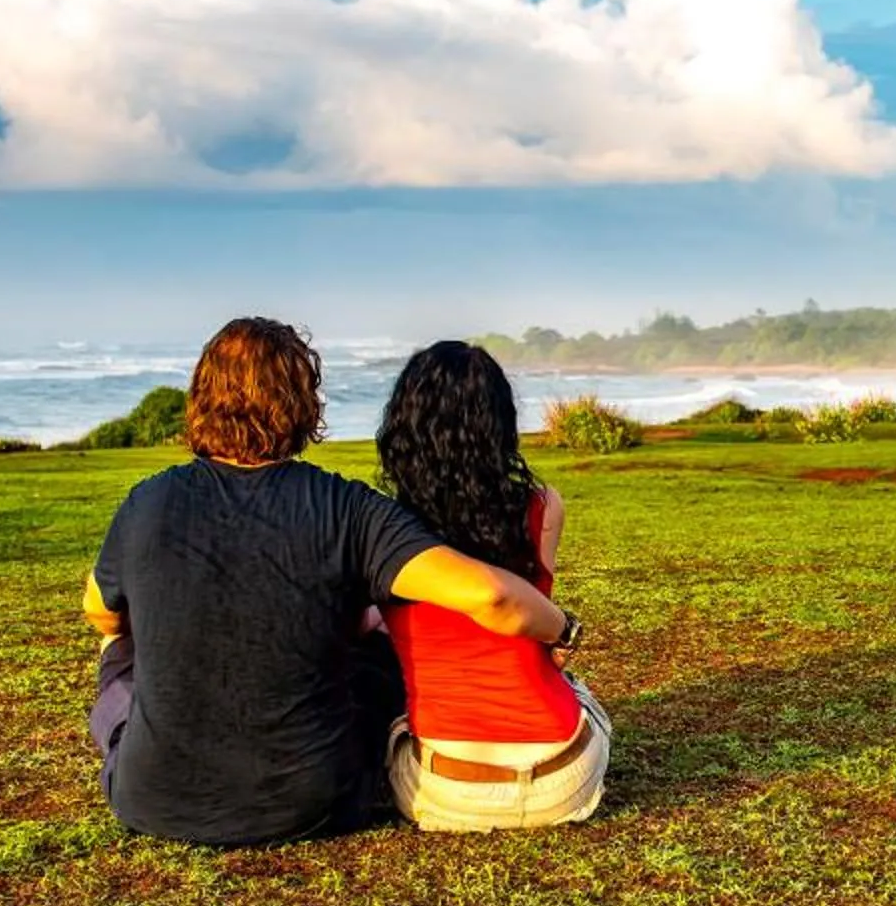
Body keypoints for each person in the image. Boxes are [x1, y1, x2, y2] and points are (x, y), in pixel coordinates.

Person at [82, 317, 577, 849]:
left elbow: (100, 611)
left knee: (121, 648)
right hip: (313, 804)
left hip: (153, 801)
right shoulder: (350, 510)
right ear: (303, 402)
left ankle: (146, 738)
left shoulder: (146, 503)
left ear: (201, 395)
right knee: (375, 651)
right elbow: (489, 593)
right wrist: (564, 628)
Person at [372, 340, 611, 832]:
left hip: (448, 792)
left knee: (390, 721)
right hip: (562, 779)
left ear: (403, 425)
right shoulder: (542, 507)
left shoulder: (382, 528)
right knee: (581, 695)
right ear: (500, 423)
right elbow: (530, 609)